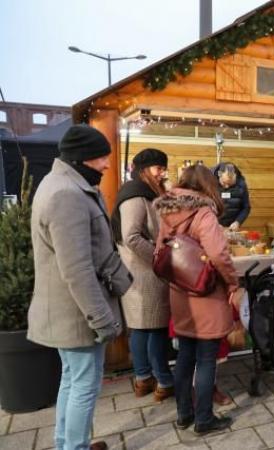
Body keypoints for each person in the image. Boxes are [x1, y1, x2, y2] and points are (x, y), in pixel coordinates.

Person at [28, 124, 133, 450]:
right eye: (101, 157)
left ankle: (68, 444)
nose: (106, 164)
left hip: (69, 310)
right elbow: (77, 269)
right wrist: (101, 319)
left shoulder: (62, 184)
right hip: (78, 314)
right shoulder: (66, 195)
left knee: (73, 380)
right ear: (81, 158)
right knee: (85, 384)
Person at [154, 165, 239, 436]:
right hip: (207, 294)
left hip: (180, 293)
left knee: (185, 356)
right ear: (208, 185)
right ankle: (203, 419)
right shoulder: (204, 212)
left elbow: (160, 251)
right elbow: (218, 255)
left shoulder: (167, 212)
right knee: (206, 359)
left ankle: (183, 415)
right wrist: (233, 282)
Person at [111, 148, 174, 401]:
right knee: (154, 329)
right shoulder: (135, 196)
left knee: (141, 330)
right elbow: (131, 237)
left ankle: (143, 380)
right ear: (145, 169)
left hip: (139, 273)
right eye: (159, 168)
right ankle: (164, 381)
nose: (162, 173)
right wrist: (159, 259)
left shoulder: (141, 192)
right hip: (145, 274)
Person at [213, 162, 250, 230]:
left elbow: (246, 207)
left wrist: (238, 222)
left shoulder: (241, 185)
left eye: (230, 184)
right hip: (212, 226)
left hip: (231, 228)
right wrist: (213, 223)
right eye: (224, 183)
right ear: (219, 175)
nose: (227, 187)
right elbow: (203, 207)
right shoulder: (210, 183)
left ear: (235, 176)